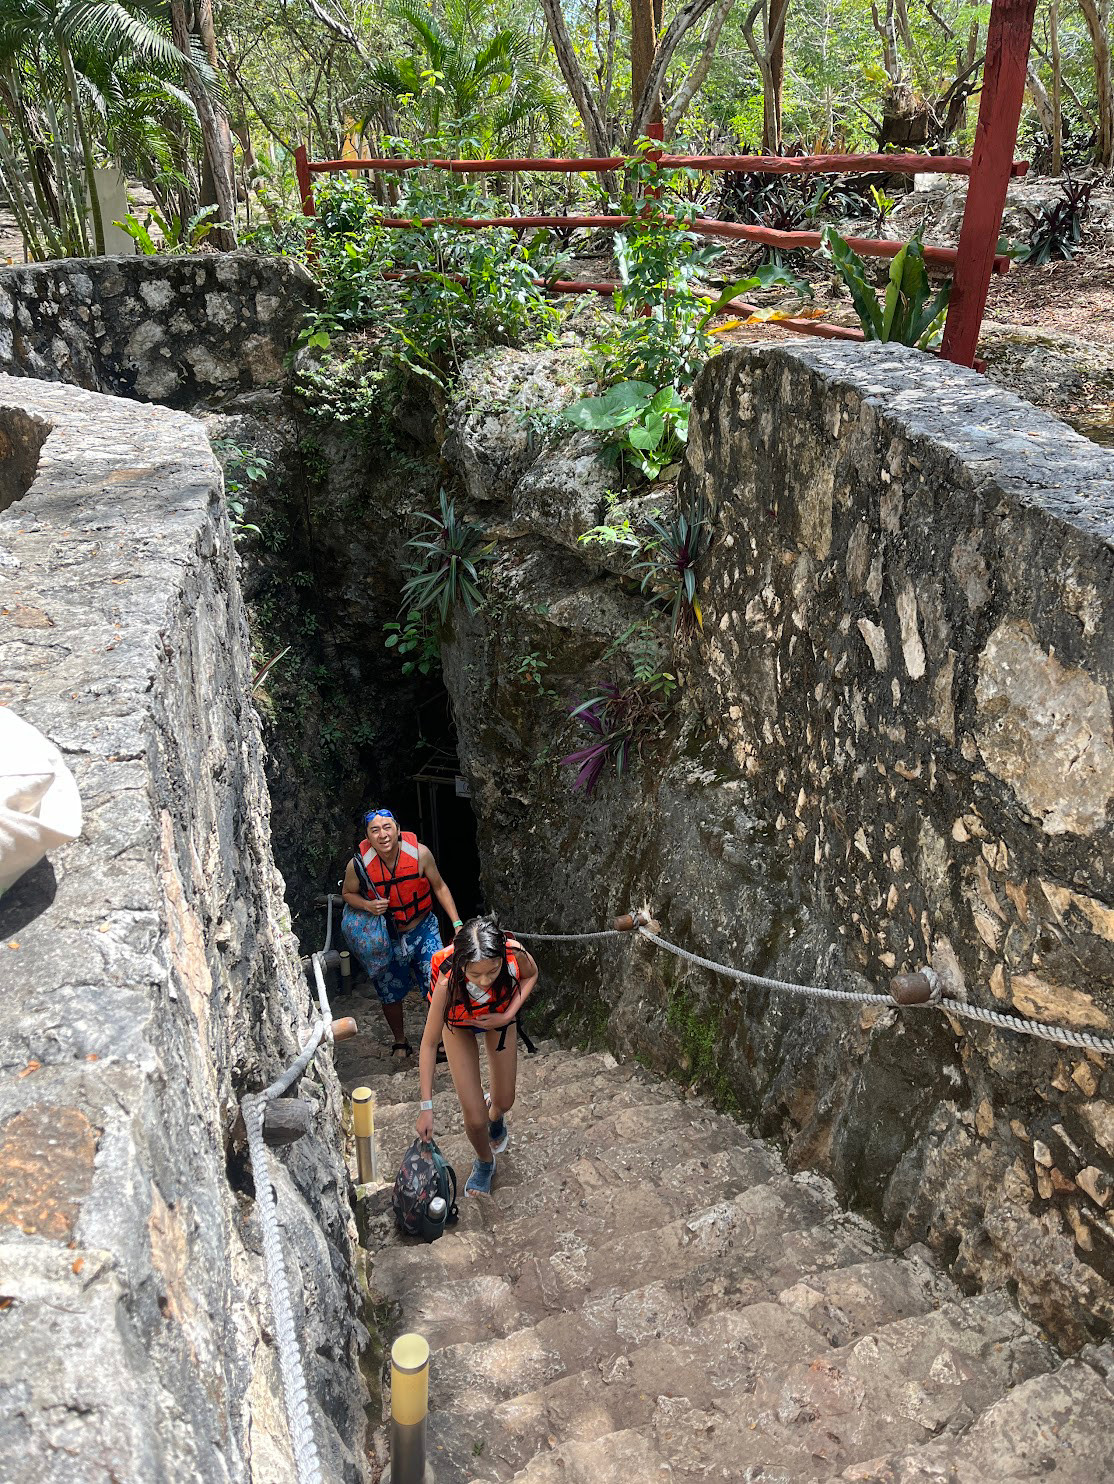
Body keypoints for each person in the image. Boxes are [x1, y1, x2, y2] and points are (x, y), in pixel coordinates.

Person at [416, 916, 539, 1197]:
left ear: (500, 959)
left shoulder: (513, 955)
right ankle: (485, 1161)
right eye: (474, 975)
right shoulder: (448, 982)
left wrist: (507, 1015)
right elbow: (429, 1042)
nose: (484, 981)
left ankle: (495, 1116)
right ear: (461, 965)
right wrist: (426, 1107)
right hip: (457, 1024)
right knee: (474, 1119)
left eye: (492, 972)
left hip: (499, 1016)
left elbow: (532, 974)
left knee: (505, 1100)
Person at [341, 807, 464, 1060]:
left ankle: (440, 1038)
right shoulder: (358, 865)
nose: (383, 835)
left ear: (397, 829)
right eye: (375, 830)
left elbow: (439, 887)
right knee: (389, 991)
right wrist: (367, 905)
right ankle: (400, 1040)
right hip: (388, 935)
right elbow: (347, 894)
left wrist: (457, 923)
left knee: (439, 981)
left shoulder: (420, 854)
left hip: (422, 927)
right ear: (367, 836)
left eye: (387, 828)